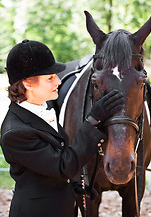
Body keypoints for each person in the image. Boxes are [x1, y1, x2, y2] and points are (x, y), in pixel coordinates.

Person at [0, 40, 123, 217]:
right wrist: (92, 120)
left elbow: (49, 166)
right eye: (50, 78)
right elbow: (64, 165)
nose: (58, 80)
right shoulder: (15, 132)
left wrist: (73, 187)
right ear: (28, 83)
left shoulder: (40, 110)